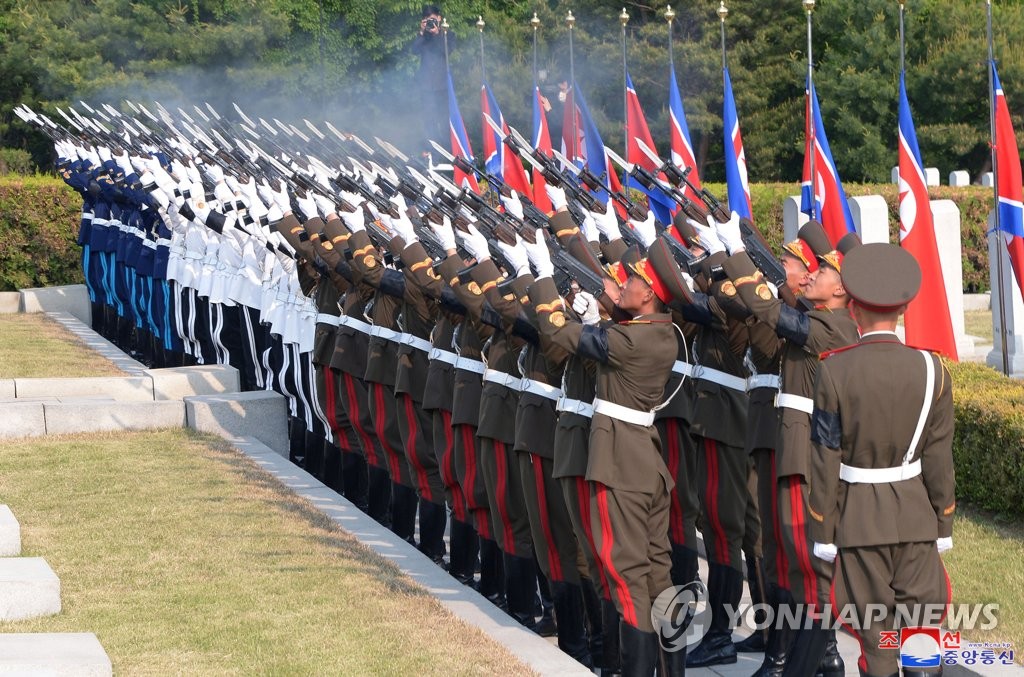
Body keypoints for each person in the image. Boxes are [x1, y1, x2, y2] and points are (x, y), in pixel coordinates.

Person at [806, 243, 955, 677]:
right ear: (905, 307)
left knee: (877, 641)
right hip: (915, 519)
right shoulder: (933, 370)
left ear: (853, 308)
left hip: (858, 523)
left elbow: (825, 455)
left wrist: (823, 529)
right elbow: (939, 457)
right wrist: (943, 521)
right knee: (921, 634)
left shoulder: (834, 370)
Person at [410, 4, 454, 147]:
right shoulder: (423, 38)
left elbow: (446, 51)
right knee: (429, 120)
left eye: (433, 19)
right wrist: (422, 32)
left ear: (439, 18)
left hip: (442, 86)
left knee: (445, 119)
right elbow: (414, 50)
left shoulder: (448, 35)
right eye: (427, 20)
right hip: (427, 86)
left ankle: (448, 149)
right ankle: (432, 149)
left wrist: (436, 34)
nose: (430, 23)